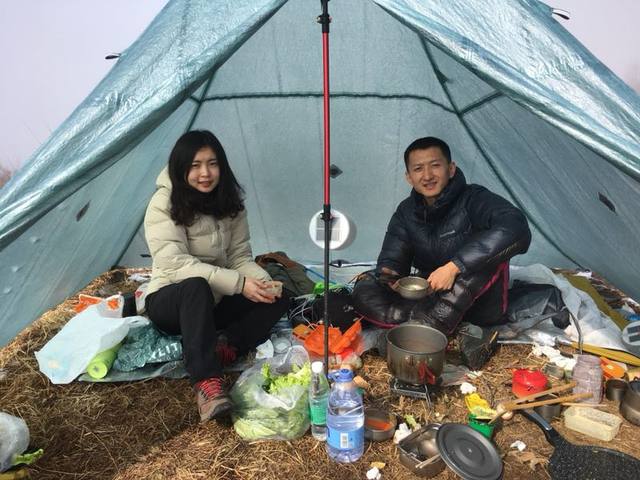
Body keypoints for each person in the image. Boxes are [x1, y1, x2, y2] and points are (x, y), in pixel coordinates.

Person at [143, 130, 289, 422]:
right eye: (195, 165)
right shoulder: (163, 203)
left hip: (214, 301)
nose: (205, 173)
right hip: (171, 300)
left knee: (277, 295)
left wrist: (260, 283)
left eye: (212, 164)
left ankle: (226, 347)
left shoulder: (229, 202)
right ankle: (207, 382)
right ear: (181, 167)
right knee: (195, 286)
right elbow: (175, 264)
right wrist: (239, 283)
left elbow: (239, 257)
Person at [353, 136, 531, 340]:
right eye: (418, 169)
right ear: (409, 177)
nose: (427, 175)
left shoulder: (474, 198)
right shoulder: (406, 211)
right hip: (430, 296)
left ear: (451, 169)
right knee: (367, 282)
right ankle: (416, 322)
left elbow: (515, 227)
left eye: (435, 166)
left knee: (483, 262)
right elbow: (392, 259)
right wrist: (391, 279)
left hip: (478, 303)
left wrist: (454, 267)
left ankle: (424, 332)